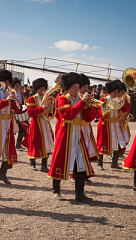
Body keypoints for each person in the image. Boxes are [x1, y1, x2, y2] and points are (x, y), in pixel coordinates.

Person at [47, 72, 96, 202]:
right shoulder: (62, 98)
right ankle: (56, 190)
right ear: (67, 87)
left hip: (77, 134)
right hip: (65, 134)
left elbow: (88, 118)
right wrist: (82, 104)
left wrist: (90, 106)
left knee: (81, 164)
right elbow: (68, 114)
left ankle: (79, 194)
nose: (77, 89)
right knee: (60, 160)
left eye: (78, 86)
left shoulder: (79, 99)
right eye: (74, 86)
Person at [97, 80, 130, 170]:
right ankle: (100, 163)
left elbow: (126, 109)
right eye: (115, 91)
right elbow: (100, 112)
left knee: (118, 143)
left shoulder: (119, 99)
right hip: (105, 124)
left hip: (116, 124)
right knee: (102, 144)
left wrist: (125, 102)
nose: (116, 93)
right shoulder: (103, 100)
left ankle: (114, 163)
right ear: (110, 91)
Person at [26, 78, 54, 172]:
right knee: (34, 143)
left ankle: (44, 165)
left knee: (48, 143)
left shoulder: (48, 98)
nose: (42, 90)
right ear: (36, 89)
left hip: (45, 123)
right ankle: (32, 163)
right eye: (40, 89)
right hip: (36, 123)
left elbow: (52, 111)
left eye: (44, 88)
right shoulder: (32, 98)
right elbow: (30, 112)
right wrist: (41, 109)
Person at [11, 77, 27, 150]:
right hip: (12, 114)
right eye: (16, 84)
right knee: (12, 130)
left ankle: (18, 144)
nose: (18, 86)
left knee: (22, 129)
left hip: (20, 113)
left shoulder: (21, 93)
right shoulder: (10, 92)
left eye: (19, 84)